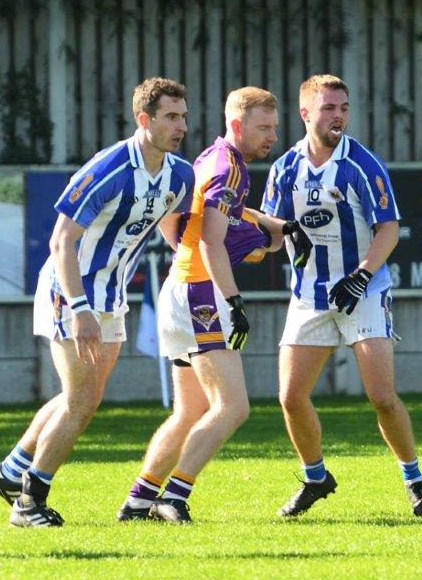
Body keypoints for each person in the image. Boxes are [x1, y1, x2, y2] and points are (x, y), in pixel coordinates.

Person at [0, 78, 195, 527]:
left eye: (184, 116)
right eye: (171, 117)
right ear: (145, 120)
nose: (181, 126)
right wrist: (79, 309)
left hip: (113, 295)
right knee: (81, 402)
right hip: (69, 291)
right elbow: (62, 241)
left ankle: (11, 470)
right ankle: (28, 503)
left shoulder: (181, 174)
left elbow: (171, 226)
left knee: (84, 396)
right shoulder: (110, 167)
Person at [115, 86, 309, 523]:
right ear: (237, 125)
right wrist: (234, 300)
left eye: (275, 128)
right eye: (263, 127)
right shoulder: (229, 168)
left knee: (189, 411)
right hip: (202, 293)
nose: (272, 136)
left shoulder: (209, 159)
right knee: (233, 406)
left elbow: (179, 219)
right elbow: (209, 238)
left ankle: (138, 501)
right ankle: (174, 496)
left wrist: (270, 225)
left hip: (178, 288)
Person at [262, 74, 422, 518]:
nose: (338, 115)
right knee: (289, 396)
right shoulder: (285, 169)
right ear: (306, 114)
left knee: (381, 396)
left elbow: (389, 229)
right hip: (308, 295)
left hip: (363, 290)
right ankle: (315, 477)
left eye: (343, 107)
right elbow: (269, 234)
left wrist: (361, 276)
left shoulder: (362, 165)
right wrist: (245, 239)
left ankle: (414, 480)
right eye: (328, 108)